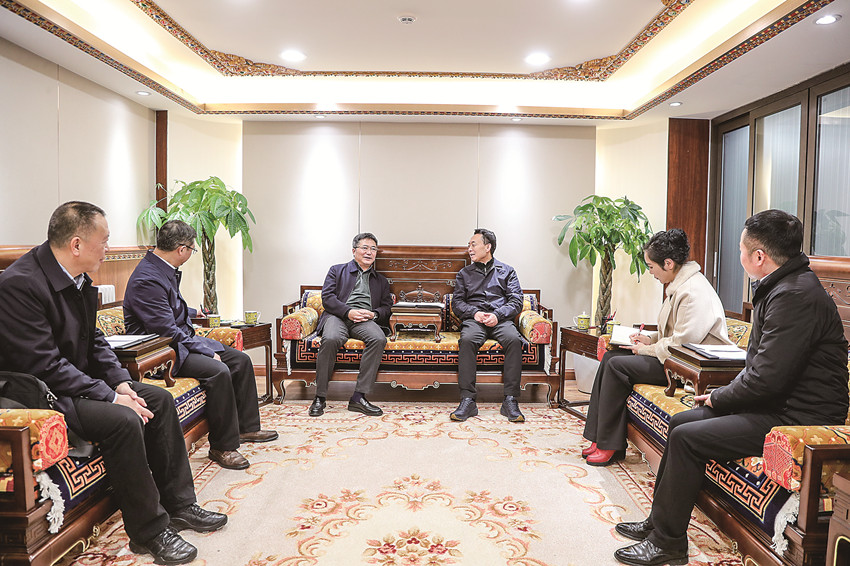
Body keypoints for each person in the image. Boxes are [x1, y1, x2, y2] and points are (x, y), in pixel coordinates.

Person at [613, 210, 849, 566]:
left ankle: (668, 544)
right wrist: (721, 397)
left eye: (741, 249)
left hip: (796, 417)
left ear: (759, 256)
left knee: (687, 438)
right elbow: (761, 367)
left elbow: (767, 378)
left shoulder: (795, 296)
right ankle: (657, 523)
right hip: (777, 403)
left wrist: (720, 397)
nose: (738, 255)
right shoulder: (784, 286)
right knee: (681, 422)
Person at [0, 202, 227, 565]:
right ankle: (148, 532)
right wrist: (109, 397)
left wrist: (121, 384)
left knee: (158, 400)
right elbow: (44, 365)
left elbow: (95, 342)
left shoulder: (77, 278)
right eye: (104, 240)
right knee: (122, 420)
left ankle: (181, 506)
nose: (109, 248)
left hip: (76, 383)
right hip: (40, 394)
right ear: (76, 244)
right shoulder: (19, 285)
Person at [123, 220, 278, 471]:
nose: (191, 254)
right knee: (218, 370)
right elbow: (165, 330)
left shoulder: (162, 268)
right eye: (193, 249)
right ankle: (222, 447)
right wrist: (205, 351)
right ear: (181, 249)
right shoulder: (147, 278)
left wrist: (195, 313)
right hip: (163, 351)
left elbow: (170, 309)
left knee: (240, 360)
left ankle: (246, 428)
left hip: (180, 341)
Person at [582, 229, 731, 466]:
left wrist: (644, 350)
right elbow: (671, 333)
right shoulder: (680, 285)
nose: (650, 272)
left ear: (668, 263)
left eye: (651, 266)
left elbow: (681, 345)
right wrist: (649, 339)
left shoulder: (693, 292)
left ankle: (610, 444)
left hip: (689, 367)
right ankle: (599, 437)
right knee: (611, 357)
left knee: (617, 366)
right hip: (674, 358)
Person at [308, 232, 392, 417]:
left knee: (378, 339)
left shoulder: (381, 280)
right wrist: (348, 312)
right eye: (365, 248)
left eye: (373, 249)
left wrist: (374, 314)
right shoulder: (336, 270)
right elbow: (327, 298)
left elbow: (387, 307)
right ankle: (320, 397)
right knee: (331, 338)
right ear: (354, 251)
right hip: (337, 316)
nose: (369, 252)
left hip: (364, 320)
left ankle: (358, 397)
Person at [450, 228, 526, 423]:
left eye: (473, 244)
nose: (469, 249)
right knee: (467, 340)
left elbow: (516, 301)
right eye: (469, 245)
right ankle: (468, 400)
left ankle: (510, 400)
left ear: (487, 247)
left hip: (500, 320)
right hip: (474, 320)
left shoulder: (507, 271)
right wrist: (474, 313)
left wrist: (497, 315)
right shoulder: (464, 274)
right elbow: (457, 303)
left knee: (513, 340)